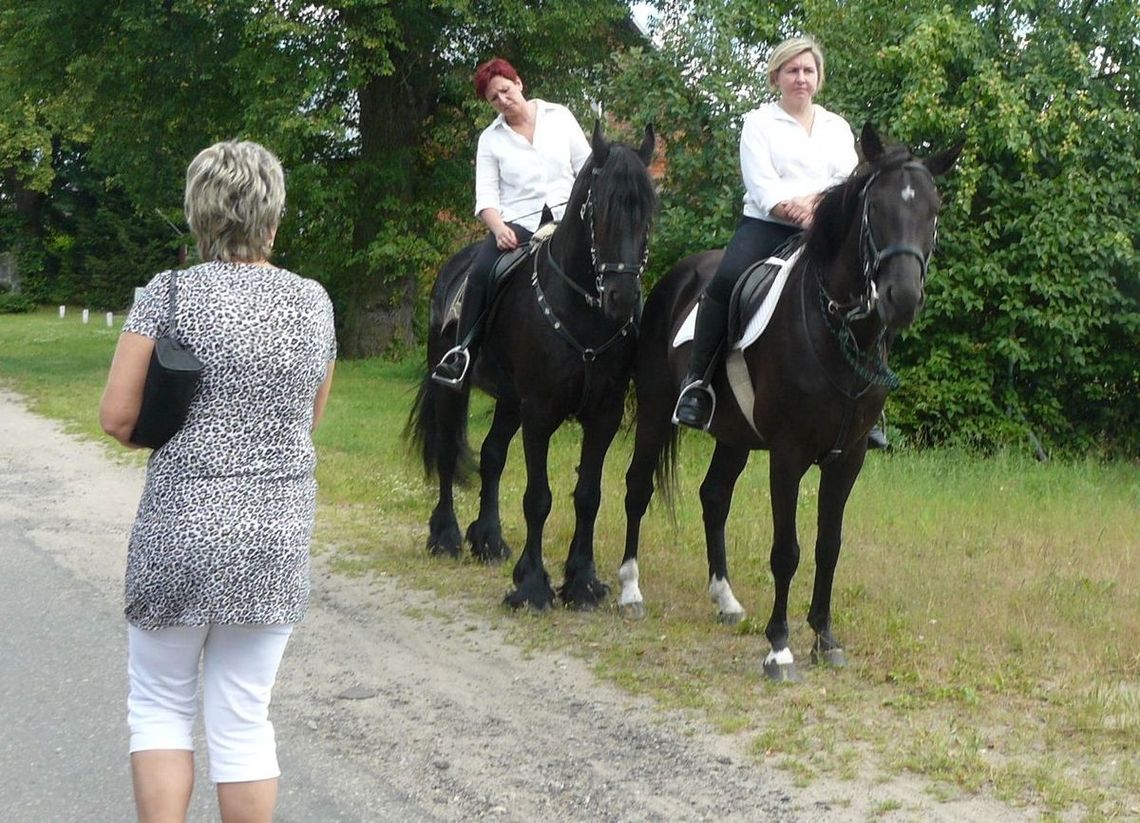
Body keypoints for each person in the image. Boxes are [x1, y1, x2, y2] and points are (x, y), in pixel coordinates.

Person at [99, 140, 337, 822]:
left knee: (161, 706)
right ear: (273, 215)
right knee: (243, 716)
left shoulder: (166, 294)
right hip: (274, 534)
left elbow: (117, 416)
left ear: (198, 213)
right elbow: (309, 416)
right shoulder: (313, 302)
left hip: (179, 530)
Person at [673, 36, 886, 447]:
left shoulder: (836, 126)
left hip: (826, 229)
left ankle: (872, 405)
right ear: (777, 77)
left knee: (872, 290)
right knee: (726, 281)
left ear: (819, 78)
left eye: (808, 71)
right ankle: (698, 383)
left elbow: (844, 180)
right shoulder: (759, 123)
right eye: (792, 71)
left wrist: (817, 211)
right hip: (767, 225)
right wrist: (799, 208)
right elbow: (761, 184)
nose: (800, 78)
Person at [432, 56, 592, 387]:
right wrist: (498, 229)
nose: (503, 100)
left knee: (617, 261)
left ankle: (634, 340)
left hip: (570, 221)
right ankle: (462, 353)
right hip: (519, 225)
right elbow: (486, 199)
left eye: (505, 90)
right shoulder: (490, 140)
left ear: (518, 82)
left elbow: (587, 166)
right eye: (494, 98)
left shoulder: (559, 117)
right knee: (480, 270)